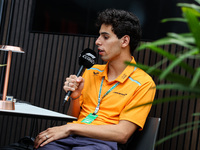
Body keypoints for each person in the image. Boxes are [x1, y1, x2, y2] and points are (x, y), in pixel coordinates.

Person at [34, 9, 156, 150]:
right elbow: (74, 117)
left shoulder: (144, 83)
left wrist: (71, 128)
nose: (97, 42)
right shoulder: (91, 71)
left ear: (124, 41)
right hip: (72, 137)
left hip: (102, 143)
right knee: (43, 147)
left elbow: (123, 134)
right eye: (99, 36)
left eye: (105, 37)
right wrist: (75, 98)